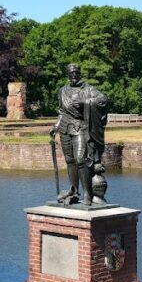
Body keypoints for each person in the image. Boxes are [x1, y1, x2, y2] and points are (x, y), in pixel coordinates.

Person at [49, 63, 108, 205]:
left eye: (76, 72)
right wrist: (55, 126)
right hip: (65, 128)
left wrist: (84, 102)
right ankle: (74, 191)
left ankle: (88, 194)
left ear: (79, 73)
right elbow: (61, 112)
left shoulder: (88, 89)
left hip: (80, 127)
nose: (74, 75)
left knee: (81, 160)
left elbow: (103, 100)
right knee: (70, 161)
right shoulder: (62, 91)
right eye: (71, 72)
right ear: (67, 74)